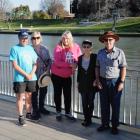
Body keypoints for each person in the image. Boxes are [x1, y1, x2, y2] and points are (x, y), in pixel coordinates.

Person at [95, 31, 127, 134]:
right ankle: (105, 124)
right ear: (103, 41)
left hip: (115, 82)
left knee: (115, 105)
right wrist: (97, 80)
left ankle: (114, 126)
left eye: (110, 40)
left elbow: (123, 68)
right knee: (104, 105)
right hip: (102, 81)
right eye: (106, 40)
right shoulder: (100, 53)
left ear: (114, 41)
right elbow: (97, 67)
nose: (108, 42)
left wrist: (121, 82)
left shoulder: (120, 52)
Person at [51, 30, 82, 121]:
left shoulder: (75, 47)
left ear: (71, 39)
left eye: (67, 38)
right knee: (57, 94)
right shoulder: (58, 47)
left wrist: (76, 63)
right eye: (64, 38)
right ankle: (58, 112)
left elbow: (79, 58)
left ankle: (68, 113)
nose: (65, 40)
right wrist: (70, 65)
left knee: (67, 95)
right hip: (56, 75)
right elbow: (57, 62)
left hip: (67, 76)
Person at [9, 30, 37, 126]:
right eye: (22, 38)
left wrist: (31, 74)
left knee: (29, 97)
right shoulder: (14, 49)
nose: (24, 40)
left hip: (31, 77)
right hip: (20, 78)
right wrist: (26, 75)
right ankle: (21, 116)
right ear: (19, 38)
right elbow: (15, 66)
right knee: (20, 97)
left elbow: (35, 63)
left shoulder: (30, 48)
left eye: (26, 38)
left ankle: (28, 113)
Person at [31, 31, 51, 120]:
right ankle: (35, 111)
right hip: (33, 75)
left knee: (43, 92)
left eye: (37, 38)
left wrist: (48, 70)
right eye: (34, 38)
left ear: (41, 38)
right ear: (31, 40)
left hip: (43, 74)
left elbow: (49, 60)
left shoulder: (45, 49)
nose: (36, 40)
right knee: (34, 94)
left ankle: (41, 108)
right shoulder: (28, 49)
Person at [77, 40, 97, 127]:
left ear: (91, 48)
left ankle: (89, 118)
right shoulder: (80, 58)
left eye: (88, 47)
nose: (86, 48)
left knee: (91, 102)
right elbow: (79, 72)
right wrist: (78, 82)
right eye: (84, 46)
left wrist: (97, 80)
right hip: (82, 84)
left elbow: (98, 69)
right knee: (84, 103)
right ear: (82, 48)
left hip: (92, 84)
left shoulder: (95, 57)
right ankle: (86, 119)